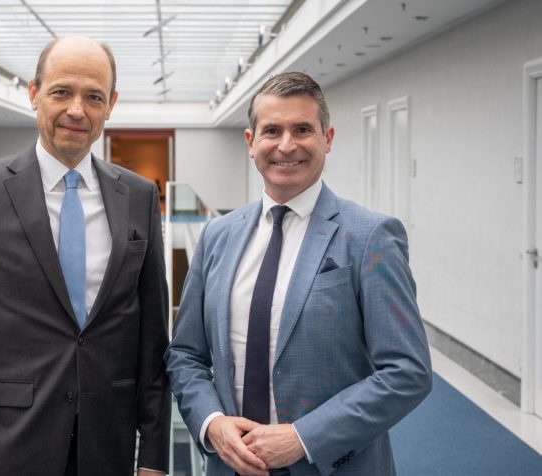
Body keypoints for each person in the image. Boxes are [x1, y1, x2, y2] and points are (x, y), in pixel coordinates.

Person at [165, 72, 432, 476]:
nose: (286, 145)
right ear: (251, 142)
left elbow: (407, 371)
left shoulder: (370, 237)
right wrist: (211, 424)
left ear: (328, 138)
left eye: (302, 129)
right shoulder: (217, 237)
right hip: (230, 465)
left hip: (333, 465)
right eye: (272, 130)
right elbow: (185, 354)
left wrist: (303, 437)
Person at [0, 36, 170, 476]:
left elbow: (152, 340)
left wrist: (154, 456)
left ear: (111, 104)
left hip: (108, 447)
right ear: (34, 93)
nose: (77, 110)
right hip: (9, 446)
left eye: (93, 96)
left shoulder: (138, 196)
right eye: (62, 92)